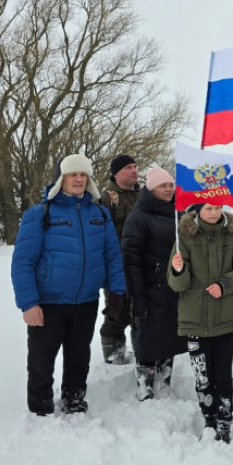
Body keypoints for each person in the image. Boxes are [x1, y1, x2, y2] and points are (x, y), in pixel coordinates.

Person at [11, 154, 126, 416]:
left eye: (83, 174)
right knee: (42, 359)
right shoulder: (40, 214)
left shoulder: (99, 214)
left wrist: (117, 293)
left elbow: (111, 256)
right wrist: (29, 304)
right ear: (60, 179)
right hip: (49, 301)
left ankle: (74, 399)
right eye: (73, 174)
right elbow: (23, 263)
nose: (79, 179)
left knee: (78, 356)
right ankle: (40, 405)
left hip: (86, 300)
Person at [168, 202, 233, 443]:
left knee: (223, 375)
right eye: (208, 209)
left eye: (217, 208)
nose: (214, 213)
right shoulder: (184, 236)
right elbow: (177, 285)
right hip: (194, 320)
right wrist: (177, 270)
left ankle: (225, 420)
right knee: (203, 376)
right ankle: (209, 419)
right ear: (197, 211)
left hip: (223, 319)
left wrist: (224, 285)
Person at [121, 167, 188, 401]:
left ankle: (164, 379)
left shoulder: (179, 214)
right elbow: (131, 258)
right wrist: (136, 295)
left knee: (171, 335)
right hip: (149, 289)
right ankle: (145, 383)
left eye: (171, 185)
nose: (169, 189)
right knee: (148, 339)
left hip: (175, 288)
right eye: (163, 186)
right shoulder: (138, 217)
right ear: (151, 189)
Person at [99, 154, 141, 364]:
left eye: (135, 166)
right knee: (117, 314)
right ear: (115, 173)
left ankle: (143, 356)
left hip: (143, 267)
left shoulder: (146, 195)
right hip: (117, 268)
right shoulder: (107, 199)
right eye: (128, 167)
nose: (134, 170)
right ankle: (113, 363)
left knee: (141, 315)